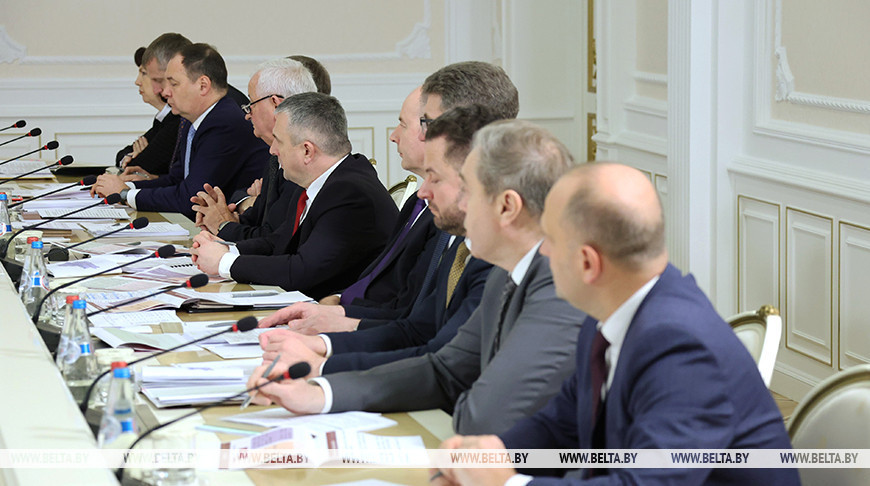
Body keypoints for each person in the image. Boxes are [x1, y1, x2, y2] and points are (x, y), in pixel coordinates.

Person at [432, 163, 800, 485]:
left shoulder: (682, 350)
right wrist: (494, 452)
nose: (543, 251)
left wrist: (508, 484)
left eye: (551, 240)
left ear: (588, 264)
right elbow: (562, 422)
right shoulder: (610, 318)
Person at [247, 119, 586, 437]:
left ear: (507, 207)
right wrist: (319, 392)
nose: (427, 194)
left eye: (466, 190)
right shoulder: (506, 270)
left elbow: (480, 417)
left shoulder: (559, 287)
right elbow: (445, 370)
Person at [263, 60, 521, 328]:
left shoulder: (476, 234)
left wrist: (341, 325)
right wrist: (338, 307)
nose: (401, 136)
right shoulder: (425, 204)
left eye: (425, 123)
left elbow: (422, 328)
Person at [255, 105, 498, 379]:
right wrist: (323, 343)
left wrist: (322, 369)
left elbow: (443, 362)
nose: (423, 191)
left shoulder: (490, 260)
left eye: (436, 178)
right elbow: (417, 329)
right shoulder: (461, 243)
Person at [190, 92, 397, 299]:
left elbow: (301, 271)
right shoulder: (322, 181)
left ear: (307, 151)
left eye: (278, 141)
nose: (272, 150)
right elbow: (278, 242)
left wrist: (224, 262)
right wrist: (224, 249)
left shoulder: (350, 193)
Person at [92, 43, 268, 219]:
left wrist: (124, 194)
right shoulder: (193, 119)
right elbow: (176, 180)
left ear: (203, 85)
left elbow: (191, 198)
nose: (165, 92)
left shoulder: (224, 123)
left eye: (173, 84)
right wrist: (128, 186)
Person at [190, 57, 317, 240]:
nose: (247, 115)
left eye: (251, 105)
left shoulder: (301, 161)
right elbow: (260, 224)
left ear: (276, 104)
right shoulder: (275, 157)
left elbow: (273, 242)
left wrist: (224, 226)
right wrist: (227, 218)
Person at [114, 46, 181, 176]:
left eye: (144, 73)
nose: (137, 82)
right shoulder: (163, 118)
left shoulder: (177, 121)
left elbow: (137, 167)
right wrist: (132, 156)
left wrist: (140, 157)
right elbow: (123, 154)